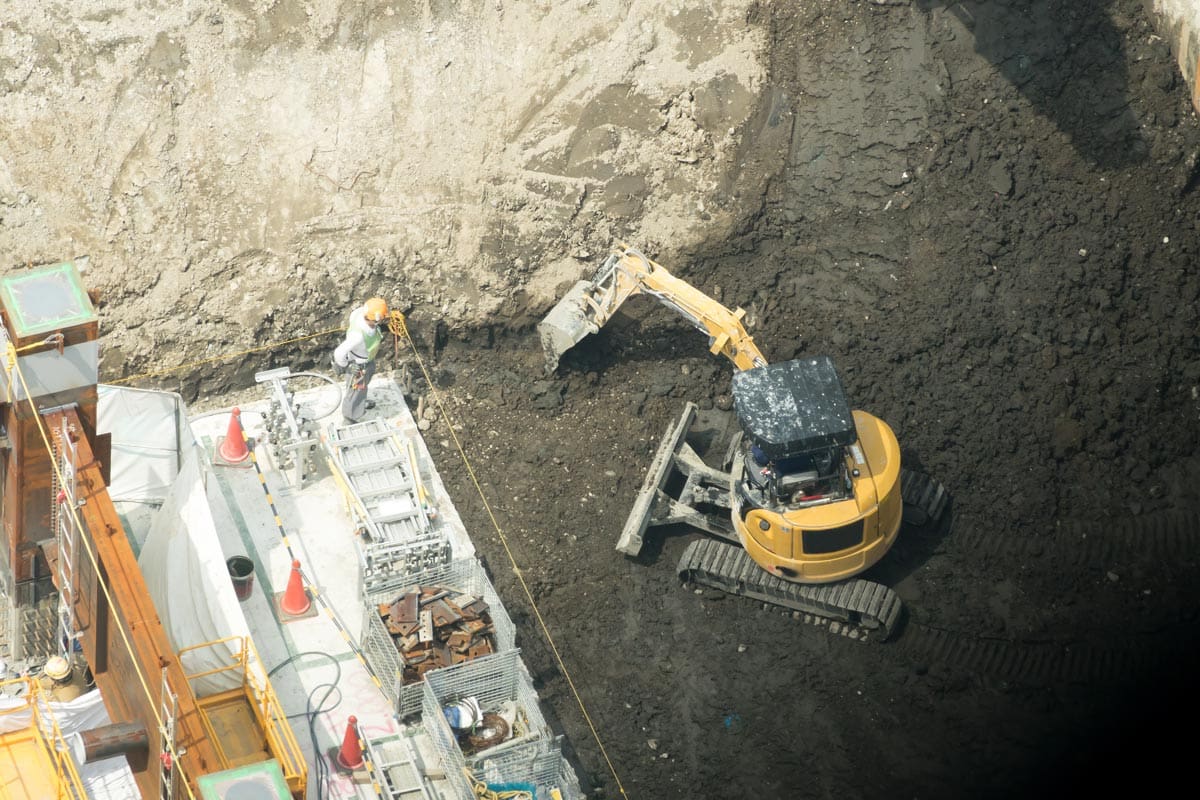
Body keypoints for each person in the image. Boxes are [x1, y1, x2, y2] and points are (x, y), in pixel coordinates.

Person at [333, 296, 389, 422]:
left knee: (361, 389)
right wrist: (346, 365)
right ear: (376, 319)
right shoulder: (358, 335)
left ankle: (360, 402)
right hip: (359, 366)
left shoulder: (359, 313)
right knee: (355, 391)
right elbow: (339, 352)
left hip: (368, 362)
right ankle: (350, 416)